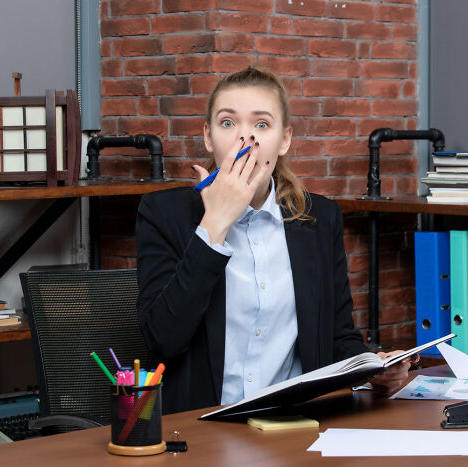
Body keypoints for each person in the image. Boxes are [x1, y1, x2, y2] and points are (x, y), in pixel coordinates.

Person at [136, 65, 413, 414]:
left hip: (295, 425)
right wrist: (215, 225)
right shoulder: (164, 214)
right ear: (208, 137)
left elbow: (337, 338)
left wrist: (373, 368)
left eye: (261, 125)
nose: (245, 140)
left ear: (284, 140)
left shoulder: (319, 218)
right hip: (200, 430)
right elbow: (162, 340)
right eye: (227, 123)